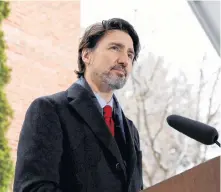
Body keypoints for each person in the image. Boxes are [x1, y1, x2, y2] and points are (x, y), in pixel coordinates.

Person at [13, 18, 143, 192]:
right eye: (115, 48)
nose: (124, 60)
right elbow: (33, 188)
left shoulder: (131, 131)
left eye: (130, 54)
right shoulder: (49, 110)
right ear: (86, 55)